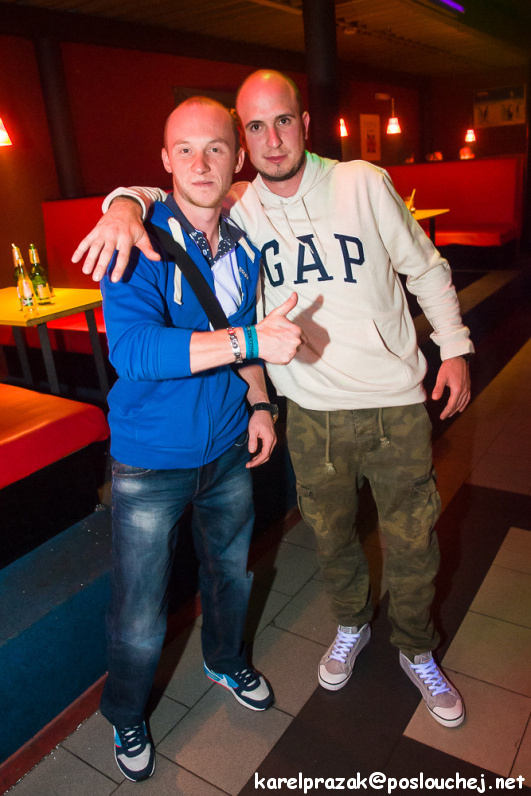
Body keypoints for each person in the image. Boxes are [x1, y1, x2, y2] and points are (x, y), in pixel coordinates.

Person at [73, 70, 473, 731]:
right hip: (277, 420)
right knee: (324, 542)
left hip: (370, 406)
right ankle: (346, 626)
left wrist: (452, 346)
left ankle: (414, 648)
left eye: (281, 121)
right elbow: (168, 205)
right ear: (240, 142)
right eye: (255, 127)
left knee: (404, 542)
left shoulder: (338, 190)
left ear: (303, 124)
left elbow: (422, 267)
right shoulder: (196, 222)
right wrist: (122, 206)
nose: (271, 139)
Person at [95, 95, 302, 783]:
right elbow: (134, 350)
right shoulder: (136, 239)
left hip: (226, 450)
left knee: (231, 575)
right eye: (184, 149)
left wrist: (260, 401)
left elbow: (240, 331)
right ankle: (126, 712)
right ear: (164, 161)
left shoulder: (241, 242)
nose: (200, 162)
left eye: (215, 147)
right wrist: (248, 342)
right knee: (139, 611)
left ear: (236, 158)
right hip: (150, 462)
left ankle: (224, 661)